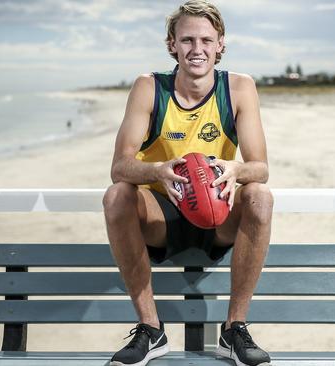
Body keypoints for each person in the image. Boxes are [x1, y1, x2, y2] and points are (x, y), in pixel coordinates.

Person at [103, 1, 273, 365]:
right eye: (187, 40)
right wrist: (158, 171)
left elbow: (260, 168)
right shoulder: (149, 87)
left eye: (206, 40)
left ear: (220, 44)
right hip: (161, 216)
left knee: (259, 196)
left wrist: (234, 171)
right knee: (117, 196)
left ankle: (235, 330)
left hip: (218, 212)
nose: (197, 50)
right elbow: (120, 166)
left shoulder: (239, 88)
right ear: (171, 45)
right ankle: (151, 330)